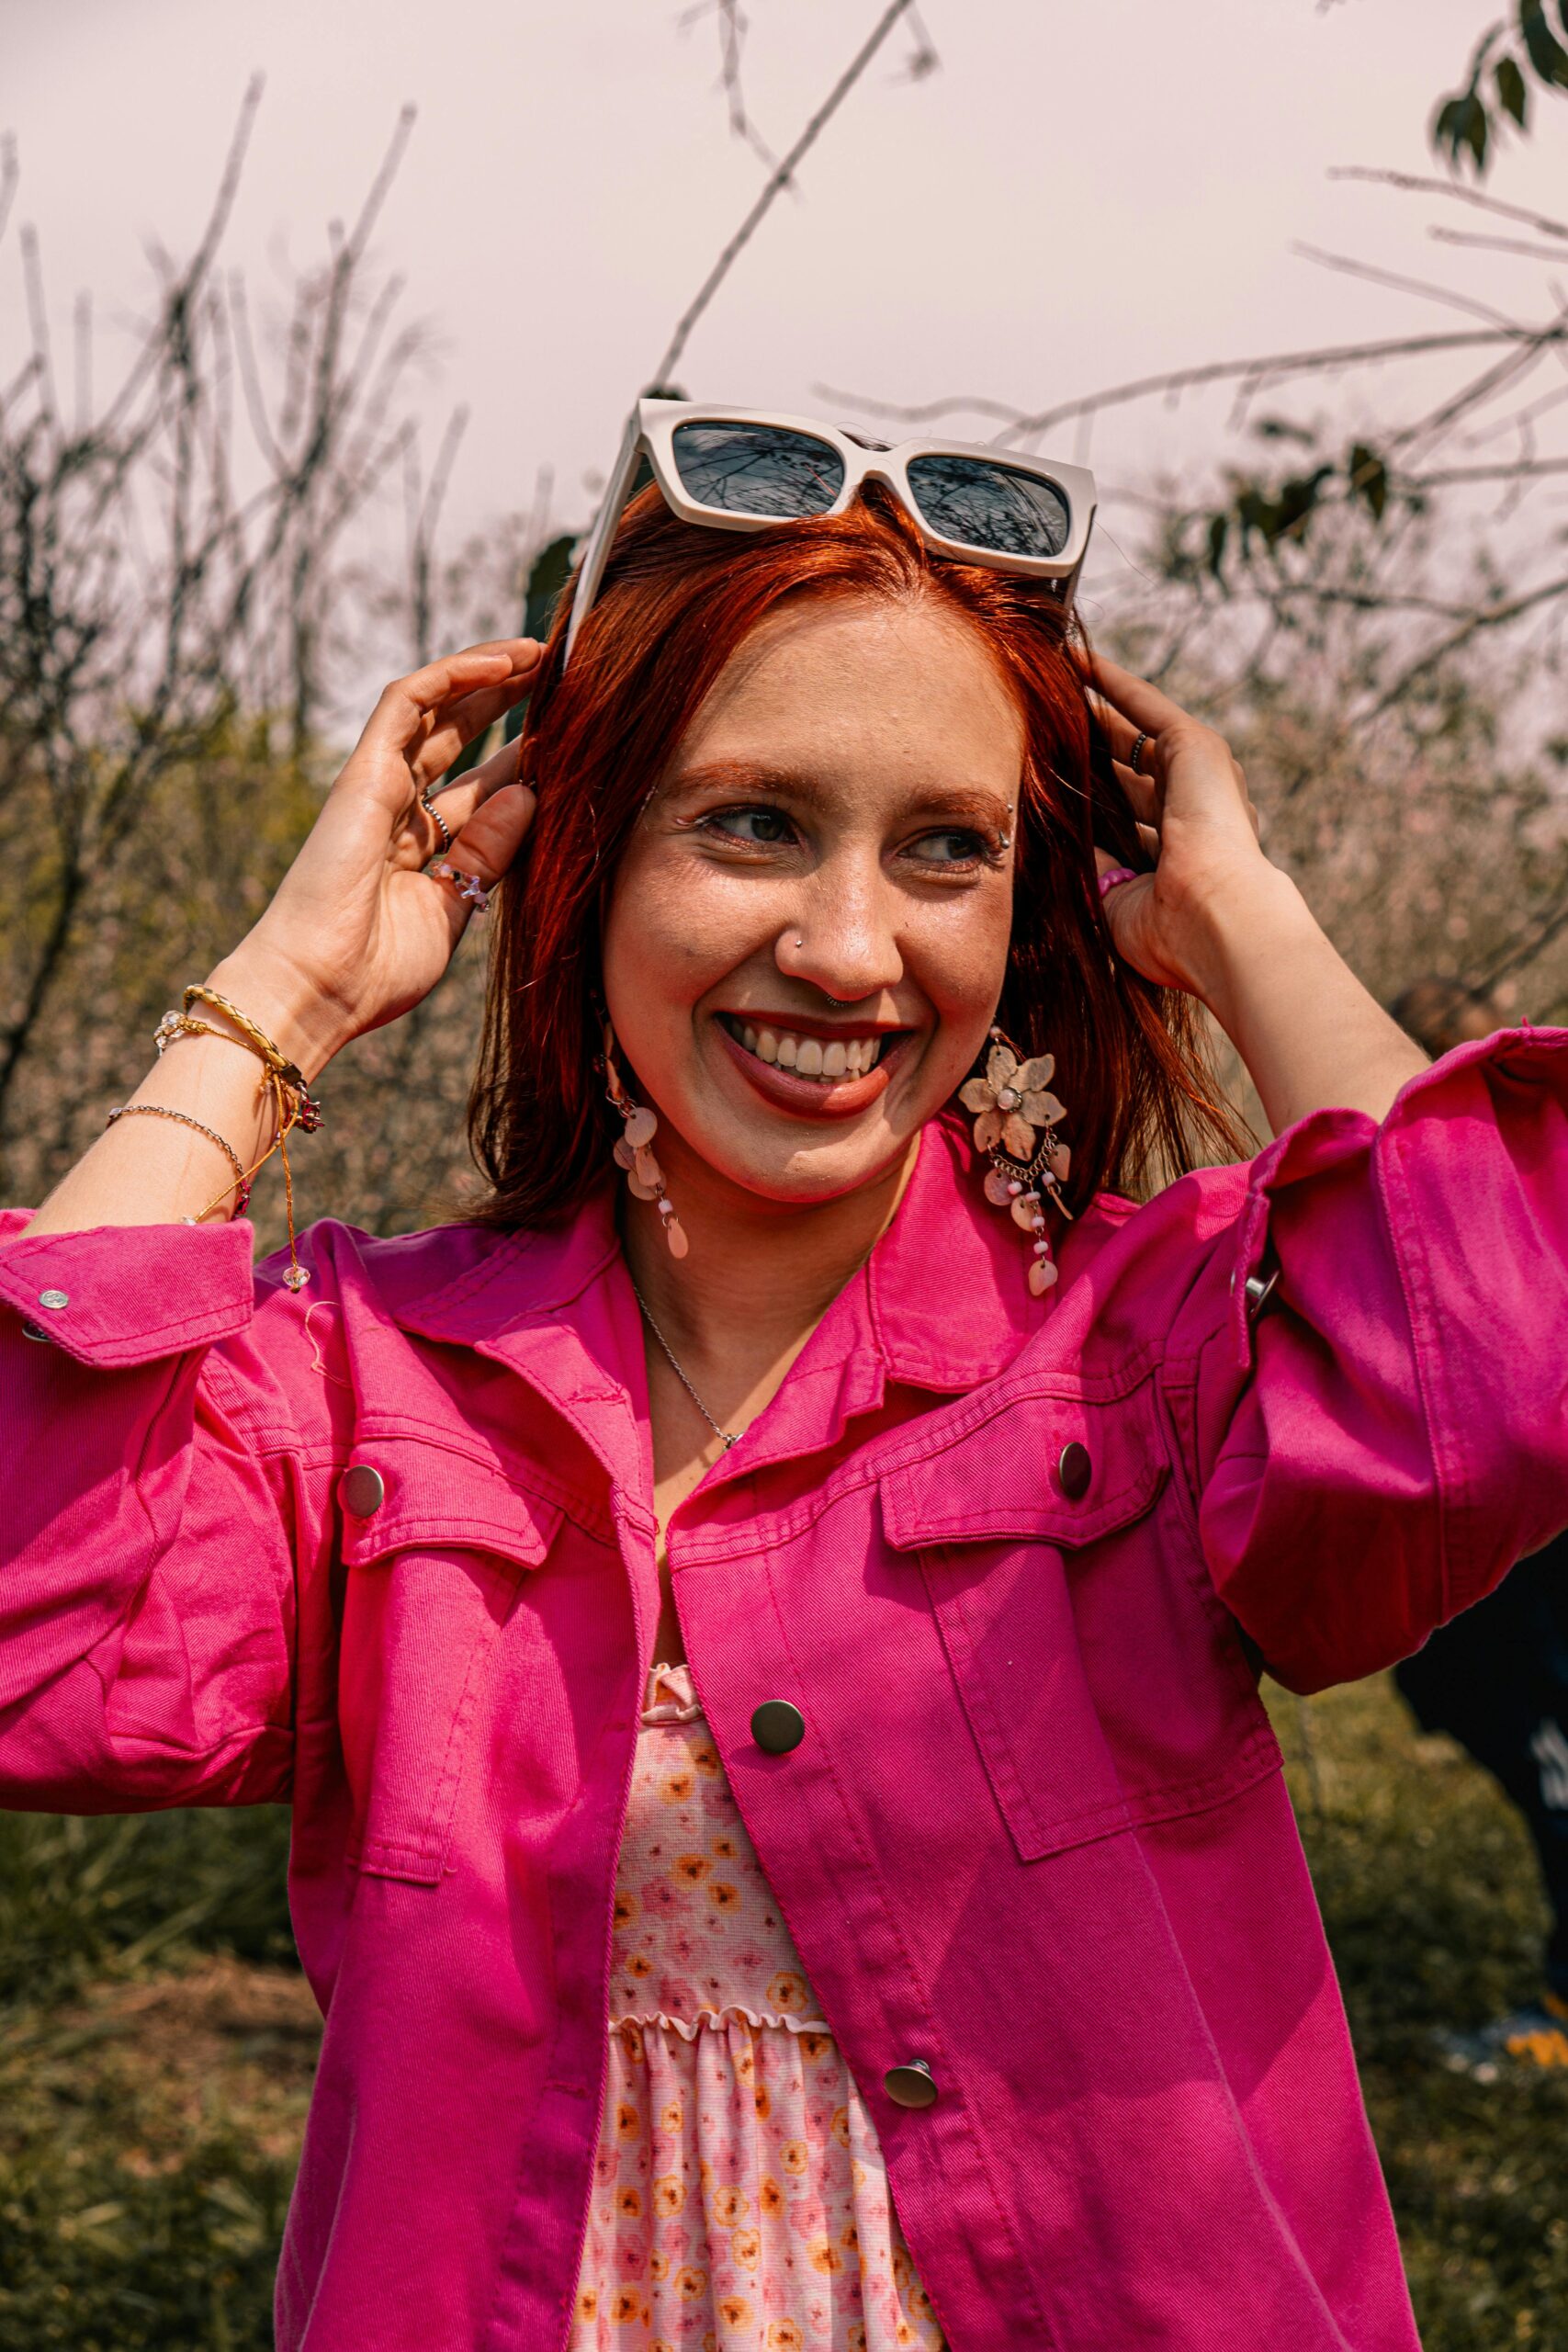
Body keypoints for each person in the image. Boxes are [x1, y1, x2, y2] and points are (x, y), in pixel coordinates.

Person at [4, 401, 1568, 2352]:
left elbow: (1489, 1385)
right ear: (587, 858)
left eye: (946, 849)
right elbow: (33, 1633)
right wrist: (290, 988)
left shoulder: (1145, 1353)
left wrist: (1242, 919)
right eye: (751, 821)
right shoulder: (368, 1377)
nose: (845, 948)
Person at [1388, 978, 1568, 2075]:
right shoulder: (1419, 1165)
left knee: (1547, 1739)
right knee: (1467, 1692)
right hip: (1480, 1528)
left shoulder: (1529, 1164)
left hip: (1539, 1530)